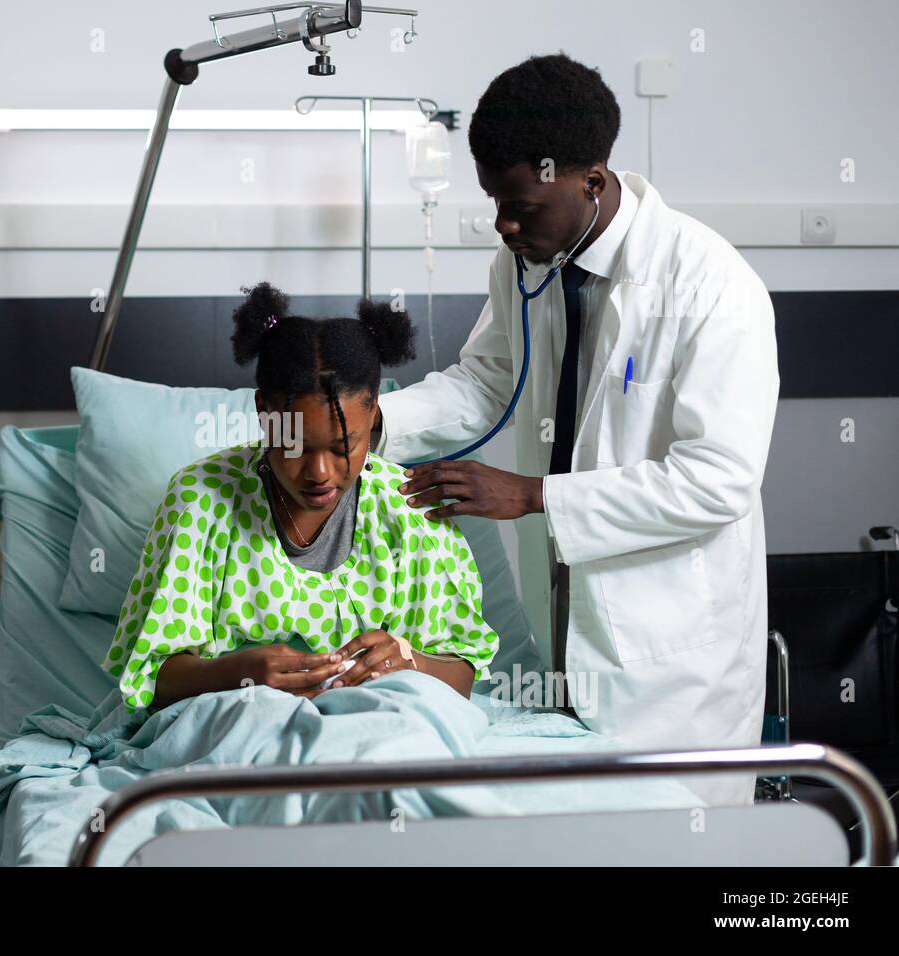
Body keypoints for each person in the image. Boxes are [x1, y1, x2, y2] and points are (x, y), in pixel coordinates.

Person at [373, 54, 780, 805]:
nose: (503, 223)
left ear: (590, 179)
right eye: (495, 200)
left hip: (672, 661)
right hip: (562, 619)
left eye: (521, 205)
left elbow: (717, 480)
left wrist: (534, 495)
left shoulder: (712, 288)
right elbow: (490, 380)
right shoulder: (527, 261)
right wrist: (372, 424)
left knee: (677, 839)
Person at [102, 282, 500, 712]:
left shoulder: (409, 510)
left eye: (343, 445)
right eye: (293, 445)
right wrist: (236, 674)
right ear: (262, 412)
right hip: (238, 725)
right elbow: (151, 681)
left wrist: (409, 663)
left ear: (374, 412)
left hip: (379, 727)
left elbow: (460, 676)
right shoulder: (201, 501)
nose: (320, 473)